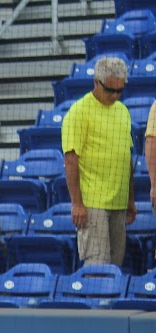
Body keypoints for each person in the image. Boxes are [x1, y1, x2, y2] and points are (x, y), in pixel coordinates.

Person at [63, 55, 137, 267]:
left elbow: (126, 158)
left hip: (119, 202)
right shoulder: (79, 111)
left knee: (115, 267)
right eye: (110, 90)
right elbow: (70, 160)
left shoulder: (123, 112)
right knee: (97, 267)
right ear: (96, 82)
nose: (115, 96)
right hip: (92, 203)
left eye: (119, 91)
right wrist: (77, 203)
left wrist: (129, 199)